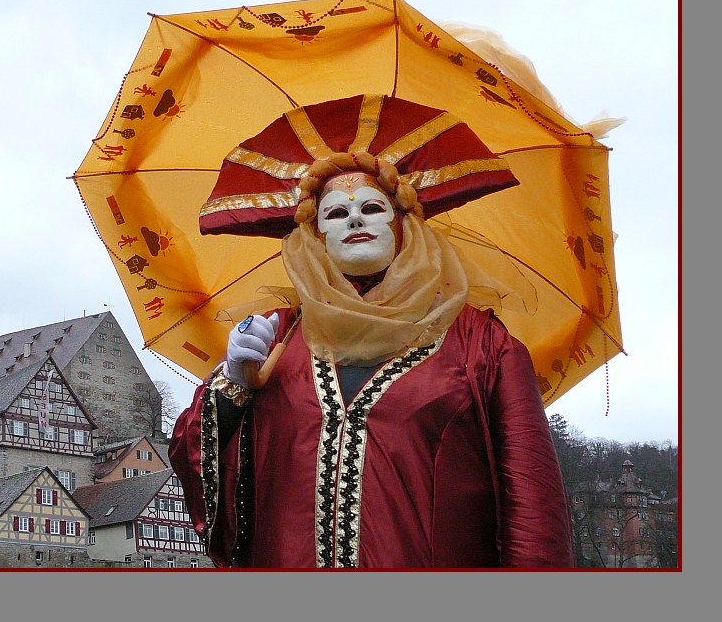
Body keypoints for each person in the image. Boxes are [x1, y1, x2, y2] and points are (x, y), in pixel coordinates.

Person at [169, 94, 575, 568]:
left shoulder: (483, 344)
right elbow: (193, 460)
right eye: (336, 214)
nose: (355, 219)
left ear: (405, 224)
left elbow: (533, 502)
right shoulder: (275, 339)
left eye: (373, 208)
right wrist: (231, 388)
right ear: (315, 236)